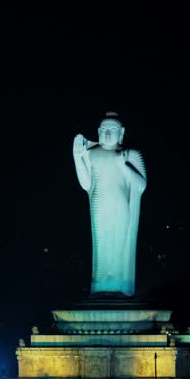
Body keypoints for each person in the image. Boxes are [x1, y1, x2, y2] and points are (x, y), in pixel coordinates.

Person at [72, 112, 148, 297]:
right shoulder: (91, 154)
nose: (107, 134)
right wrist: (77, 157)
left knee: (119, 245)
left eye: (112, 130)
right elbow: (86, 184)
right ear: (98, 132)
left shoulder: (130, 154)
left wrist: (123, 166)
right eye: (104, 130)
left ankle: (120, 285)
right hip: (99, 203)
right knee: (101, 245)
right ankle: (100, 286)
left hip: (121, 206)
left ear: (121, 132)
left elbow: (141, 185)